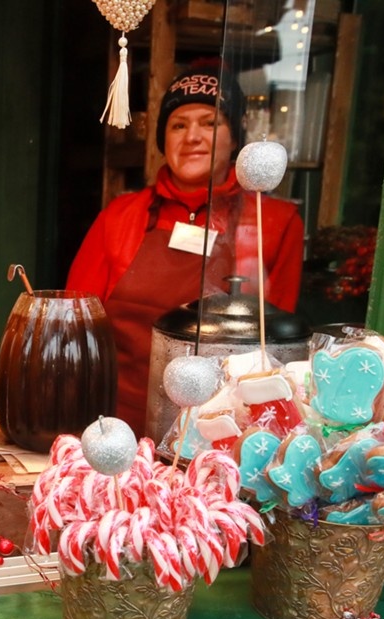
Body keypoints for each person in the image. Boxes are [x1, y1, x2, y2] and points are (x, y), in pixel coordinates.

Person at [66, 60, 304, 433]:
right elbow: (74, 328)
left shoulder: (272, 223)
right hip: (116, 426)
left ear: (235, 139)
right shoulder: (121, 215)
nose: (192, 137)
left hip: (219, 432)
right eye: (178, 125)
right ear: (163, 140)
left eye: (210, 123)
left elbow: (276, 352)